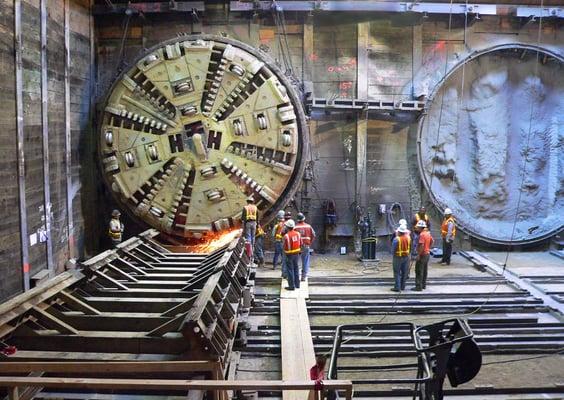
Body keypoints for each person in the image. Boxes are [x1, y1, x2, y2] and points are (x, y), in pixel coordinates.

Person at [295, 212, 316, 281]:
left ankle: (296, 276)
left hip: (297, 246)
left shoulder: (295, 227)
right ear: (304, 218)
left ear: (297, 219)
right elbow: (313, 235)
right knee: (305, 261)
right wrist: (310, 242)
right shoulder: (308, 226)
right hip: (306, 245)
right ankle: (303, 276)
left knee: (295, 261)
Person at [413, 220, 433, 291]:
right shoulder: (428, 233)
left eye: (418, 227)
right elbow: (432, 241)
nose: (417, 228)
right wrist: (427, 248)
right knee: (424, 270)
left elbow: (421, 245)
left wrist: (418, 254)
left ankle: (418, 287)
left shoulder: (422, 235)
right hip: (427, 254)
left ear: (421, 227)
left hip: (422, 255)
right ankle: (423, 285)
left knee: (419, 270)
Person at [283, 219, 301, 291]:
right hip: (296, 254)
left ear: (287, 227)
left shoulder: (286, 236)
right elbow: (301, 243)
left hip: (289, 255)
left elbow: (285, 246)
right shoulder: (298, 234)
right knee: (296, 268)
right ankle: (297, 284)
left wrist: (285, 253)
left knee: (290, 270)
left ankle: (291, 286)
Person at [391, 225, 411, 292]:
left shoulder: (396, 239)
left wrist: (393, 255)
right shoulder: (408, 238)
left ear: (399, 231)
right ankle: (403, 286)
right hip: (406, 257)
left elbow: (393, 250)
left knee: (397, 272)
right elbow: (411, 248)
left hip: (397, 257)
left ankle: (397, 287)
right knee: (404, 272)